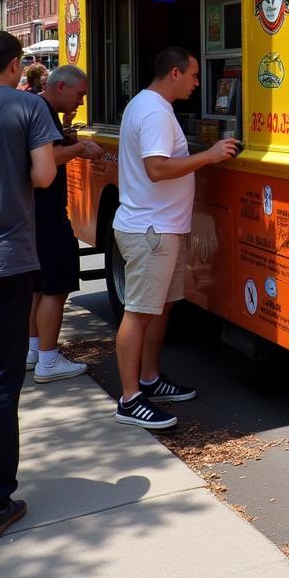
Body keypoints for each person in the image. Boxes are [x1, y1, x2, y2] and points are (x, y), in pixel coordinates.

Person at [112, 47, 237, 429]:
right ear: (174, 74)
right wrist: (210, 156)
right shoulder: (153, 112)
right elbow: (157, 168)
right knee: (138, 311)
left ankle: (150, 378)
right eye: (194, 75)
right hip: (152, 230)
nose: (198, 83)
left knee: (160, 308)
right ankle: (130, 398)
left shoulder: (150, 106)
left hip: (158, 227)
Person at [0, 31, 58, 539]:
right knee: (0, 379)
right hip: (8, 261)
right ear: (16, 65)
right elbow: (43, 177)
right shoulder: (27, 108)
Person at [27, 66, 105, 382]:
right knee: (55, 288)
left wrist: (67, 137)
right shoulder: (42, 110)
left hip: (34, 215)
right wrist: (81, 148)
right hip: (47, 215)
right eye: (79, 94)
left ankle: (33, 350)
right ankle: (48, 358)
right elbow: (48, 158)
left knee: (37, 286)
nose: (81, 102)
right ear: (60, 86)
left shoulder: (35, 107)